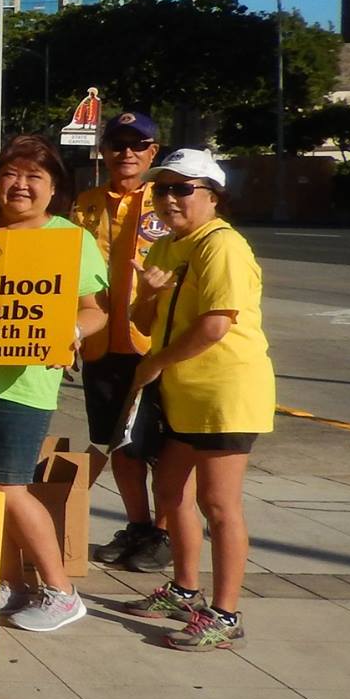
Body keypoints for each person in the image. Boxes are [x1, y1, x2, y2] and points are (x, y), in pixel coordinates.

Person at [0, 135, 107, 633]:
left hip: (21, 387)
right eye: (11, 174)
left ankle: (61, 590)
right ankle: (6, 582)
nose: (21, 186)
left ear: (55, 189)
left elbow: (95, 311)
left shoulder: (71, 240)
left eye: (35, 177)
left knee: (8, 486)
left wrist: (69, 331)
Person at [124, 150, 275, 651]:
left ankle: (226, 612)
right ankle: (185, 588)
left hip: (225, 389)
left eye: (183, 189)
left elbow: (215, 325)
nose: (169, 198)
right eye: (162, 188)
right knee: (169, 493)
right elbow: (144, 323)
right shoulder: (166, 246)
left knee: (218, 503)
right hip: (183, 393)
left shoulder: (221, 246)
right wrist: (147, 294)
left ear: (213, 195)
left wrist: (156, 362)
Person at [70, 111, 169, 571]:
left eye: (138, 145)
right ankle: (139, 526)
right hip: (100, 345)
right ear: (104, 150)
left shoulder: (169, 201)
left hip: (151, 345)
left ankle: (165, 532)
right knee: (119, 444)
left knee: (161, 448)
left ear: (153, 151)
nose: (126, 154)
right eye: (117, 144)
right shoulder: (85, 204)